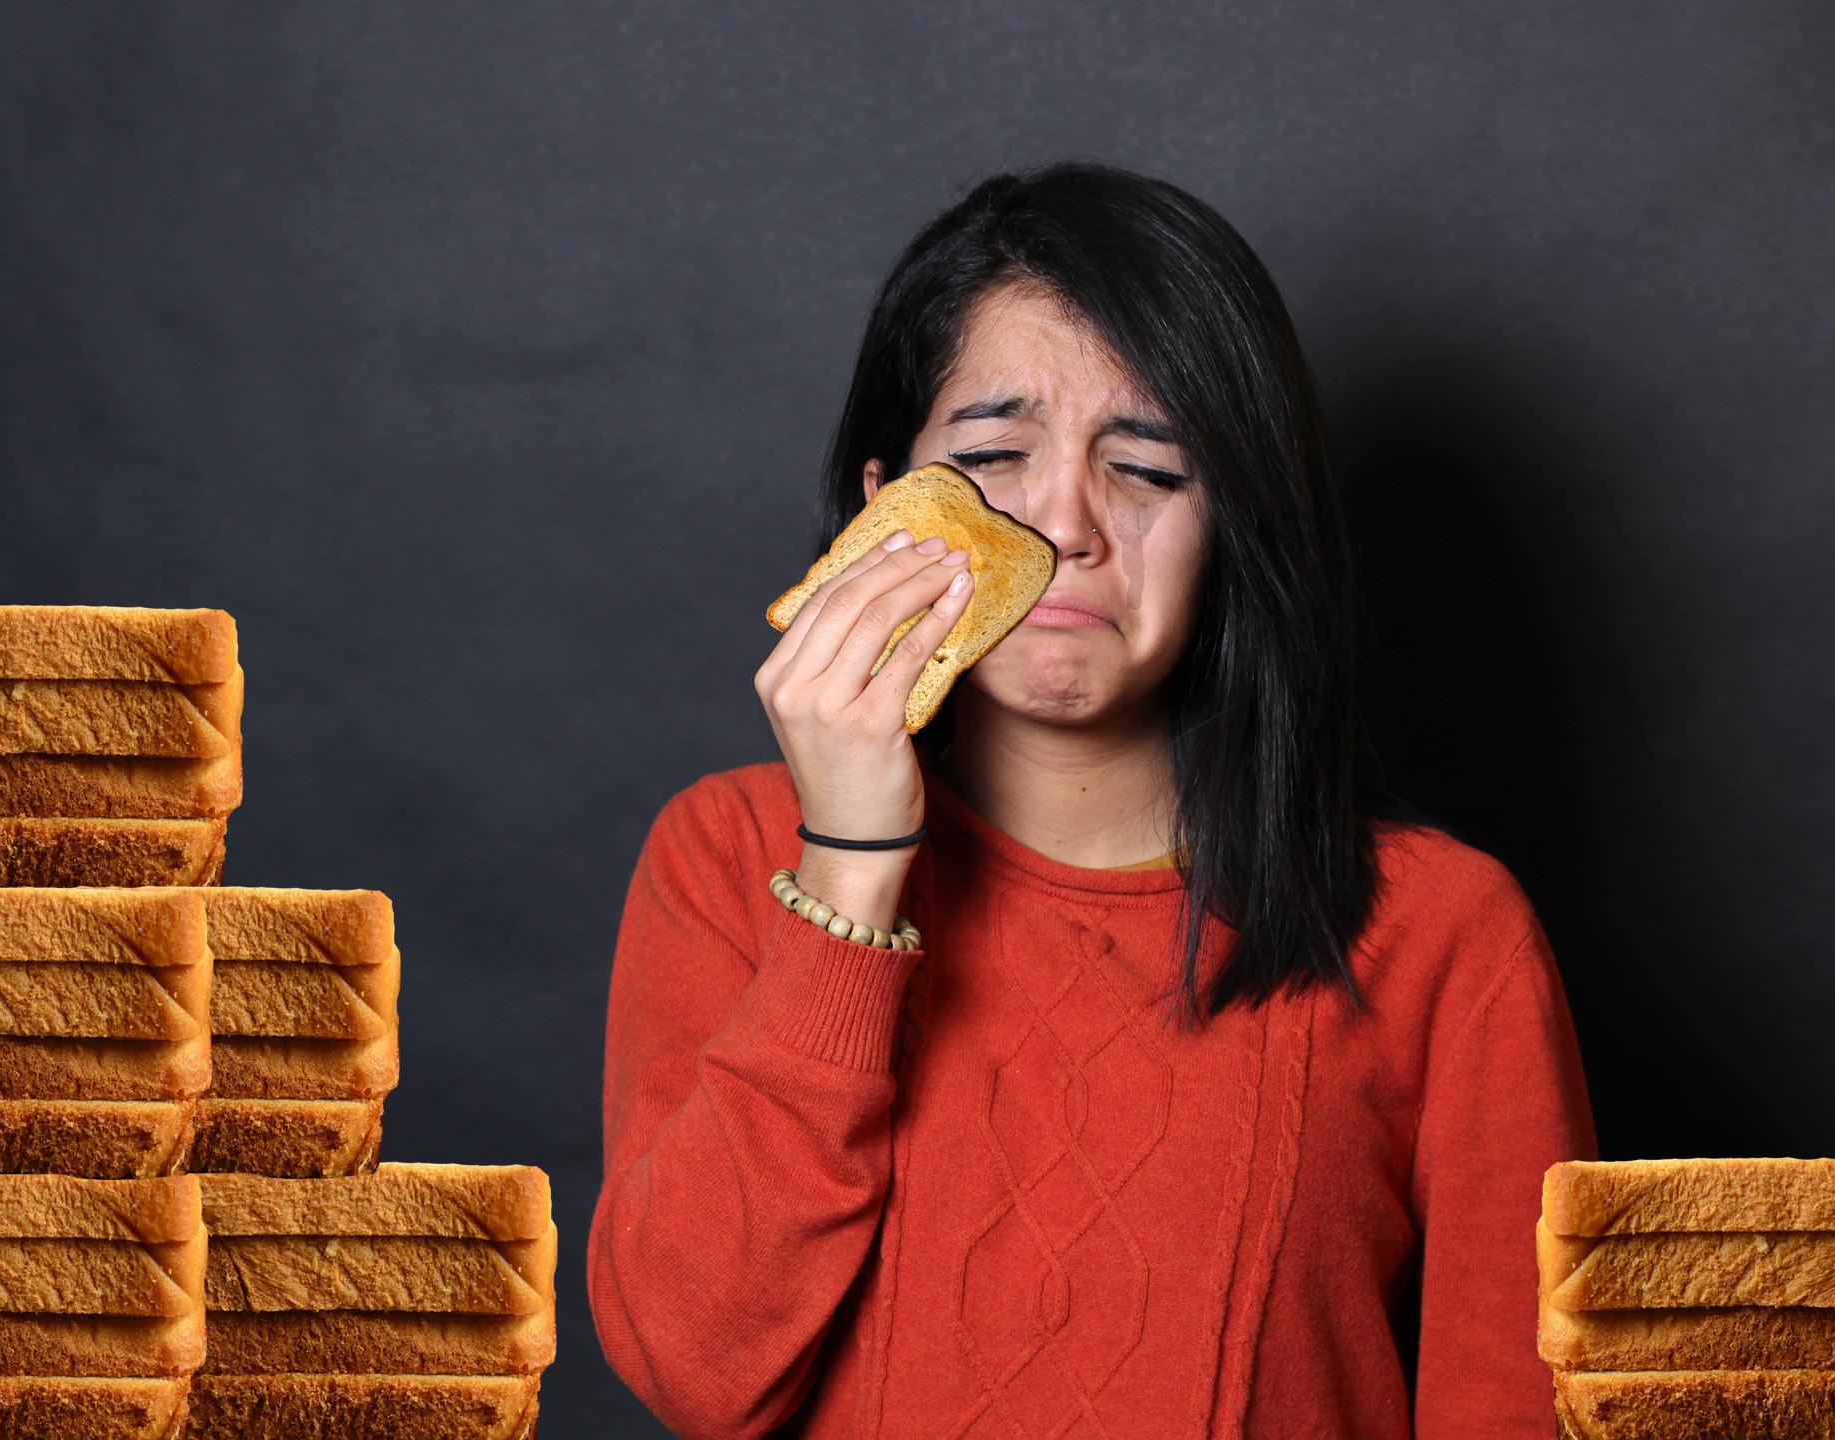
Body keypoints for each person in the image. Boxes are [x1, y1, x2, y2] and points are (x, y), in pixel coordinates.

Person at [589, 160, 1596, 1438]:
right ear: (880, 507)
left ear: (1234, 528)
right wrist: (847, 867)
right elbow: (695, 1370)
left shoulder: (1444, 935)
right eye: (995, 456)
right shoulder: (726, 858)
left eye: (1151, 470)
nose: (1065, 523)